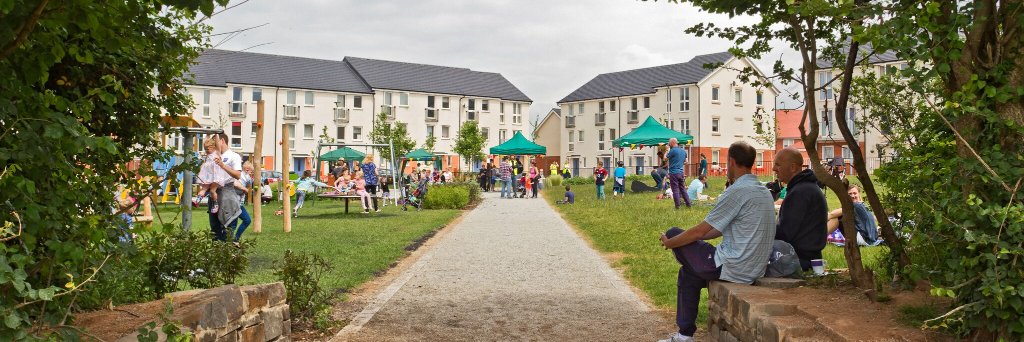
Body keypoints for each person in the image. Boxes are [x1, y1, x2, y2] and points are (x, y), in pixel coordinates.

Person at [657, 142, 776, 342]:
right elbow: (715, 230)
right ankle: (684, 335)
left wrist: (671, 243)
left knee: (673, 232)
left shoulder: (737, 190)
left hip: (733, 266)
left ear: (731, 161)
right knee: (688, 273)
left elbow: (700, 231)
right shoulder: (762, 190)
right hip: (754, 267)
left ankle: (684, 334)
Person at [773, 147, 828, 270]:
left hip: (800, 261)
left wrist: (761, 229)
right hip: (808, 258)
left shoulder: (800, 192)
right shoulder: (805, 188)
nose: (773, 169)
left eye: (778, 165)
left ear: (793, 167)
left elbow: (785, 233)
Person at [209, 133, 243, 242]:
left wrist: (223, 166)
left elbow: (238, 175)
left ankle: (227, 252)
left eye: (215, 142)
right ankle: (216, 255)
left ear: (222, 141)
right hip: (213, 195)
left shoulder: (234, 156)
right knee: (215, 229)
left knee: (228, 228)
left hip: (227, 195)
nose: (213, 145)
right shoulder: (213, 155)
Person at [194, 136, 233, 213]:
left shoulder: (217, 153)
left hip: (216, 177)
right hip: (208, 176)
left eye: (208, 149)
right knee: (203, 189)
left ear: (213, 147)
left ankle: (215, 204)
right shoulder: (207, 156)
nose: (206, 151)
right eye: (205, 149)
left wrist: (217, 134)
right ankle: (197, 201)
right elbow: (205, 165)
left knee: (212, 191)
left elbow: (218, 145)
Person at [231, 161, 256, 245]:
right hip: (235, 202)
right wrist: (244, 189)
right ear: (247, 170)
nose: (252, 174)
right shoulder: (243, 176)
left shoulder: (243, 176)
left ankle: (233, 240)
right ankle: (232, 241)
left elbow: (247, 186)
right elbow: (241, 186)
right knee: (240, 221)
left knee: (241, 221)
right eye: (251, 172)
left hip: (237, 203)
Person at [667, 138, 692, 209]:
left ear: (672, 143)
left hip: (674, 173)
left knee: (675, 189)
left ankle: (677, 206)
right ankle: (688, 204)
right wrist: (680, 163)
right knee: (683, 189)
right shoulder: (683, 151)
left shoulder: (672, 150)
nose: (669, 144)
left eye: (669, 143)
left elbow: (665, 158)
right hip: (681, 173)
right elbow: (687, 162)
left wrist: (666, 149)